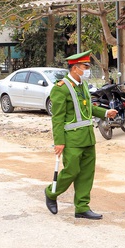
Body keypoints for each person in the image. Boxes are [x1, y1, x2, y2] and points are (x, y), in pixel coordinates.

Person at [44, 50, 117, 220]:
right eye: (85, 67)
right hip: (72, 139)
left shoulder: (82, 85)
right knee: (71, 171)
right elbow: (57, 118)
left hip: (87, 137)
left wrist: (105, 113)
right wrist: (59, 142)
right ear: (75, 68)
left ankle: (82, 207)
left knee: (86, 173)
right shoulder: (60, 88)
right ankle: (51, 193)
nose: (87, 70)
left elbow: (88, 109)